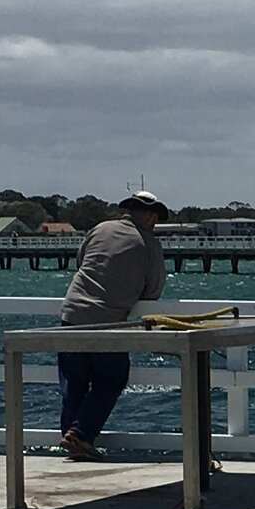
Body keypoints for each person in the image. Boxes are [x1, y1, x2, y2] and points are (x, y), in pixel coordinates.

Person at [55, 191, 168, 459]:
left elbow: (81, 262)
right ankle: (80, 435)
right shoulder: (149, 244)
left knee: (74, 381)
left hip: (72, 314)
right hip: (108, 320)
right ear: (150, 216)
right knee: (112, 379)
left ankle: (71, 437)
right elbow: (153, 290)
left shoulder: (100, 228)